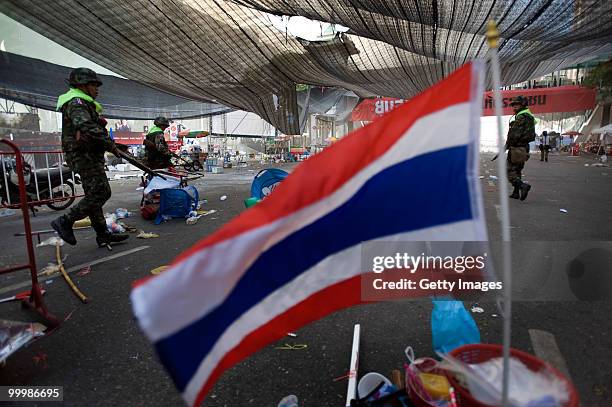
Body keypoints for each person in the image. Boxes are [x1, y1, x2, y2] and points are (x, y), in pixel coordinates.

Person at [51, 68, 129, 248]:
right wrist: (109, 145)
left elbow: (93, 128)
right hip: (84, 156)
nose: (97, 89)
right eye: (93, 84)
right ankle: (65, 220)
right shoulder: (77, 102)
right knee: (101, 192)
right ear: (82, 85)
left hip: (88, 155)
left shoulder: (83, 102)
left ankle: (103, 235)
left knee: (93, 196)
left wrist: (113, 145)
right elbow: (85, 125)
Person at [506, 96, 536, 200]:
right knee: (517, 170)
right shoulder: (528, 116)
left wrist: (507, 144)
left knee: (509, 171)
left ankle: (523, 186)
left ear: (522, 105)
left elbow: (515, 134)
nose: (514, 107)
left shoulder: (521, 117)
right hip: (524, 147)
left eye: (516, 105)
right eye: (513, 105)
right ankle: (515, 192)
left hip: (517, 148)